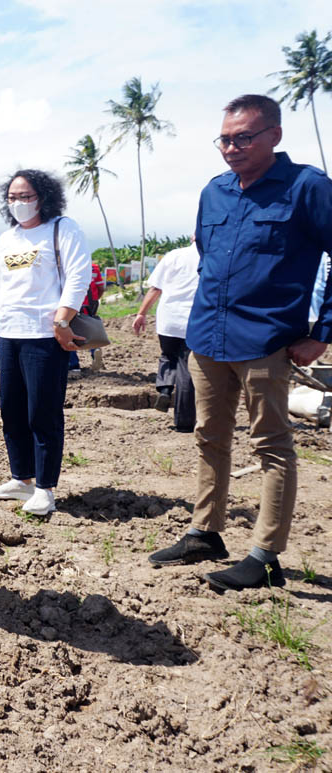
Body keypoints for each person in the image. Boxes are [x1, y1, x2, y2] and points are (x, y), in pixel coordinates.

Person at [149, 94, 332, 591]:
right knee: (209, 437)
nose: (232, 148)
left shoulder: (307, 187)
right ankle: (205, 532)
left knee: (272, 446)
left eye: (244, 137)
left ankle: (265, 555)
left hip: (267, 341)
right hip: (208, 337)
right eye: (225, 139)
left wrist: (321, 335)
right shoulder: (216, 191)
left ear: (274, 135)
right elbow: (209, 259)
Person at [0, 170, 92, 516]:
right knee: (11, 411)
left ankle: (45, 488)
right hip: (12, 334)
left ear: (43, 197)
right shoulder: (7, 239)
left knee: (42, 413)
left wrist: (61, 320)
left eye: (26, 196)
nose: (19, 203)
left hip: (45, 337)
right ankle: (21, 479)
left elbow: (79, 274)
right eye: (12, 197)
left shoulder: (62, 229)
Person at [132, 239, 200, 432]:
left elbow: (155, 289)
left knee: (168, 355)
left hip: (168, 319)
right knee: (186, 368)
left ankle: (165, 388)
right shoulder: (211, 258)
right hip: (193, 321)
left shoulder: (173, 256)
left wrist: (141, 313)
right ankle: (185, 422)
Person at [67, 262, 105, 376]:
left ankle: (74, 367)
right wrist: (94, 299)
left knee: (69, 334)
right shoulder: (94, 267)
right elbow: (101, 288)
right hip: (90, 304)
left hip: (72, 304)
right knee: (89, 329)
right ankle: (95, 350)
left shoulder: (68, 264)